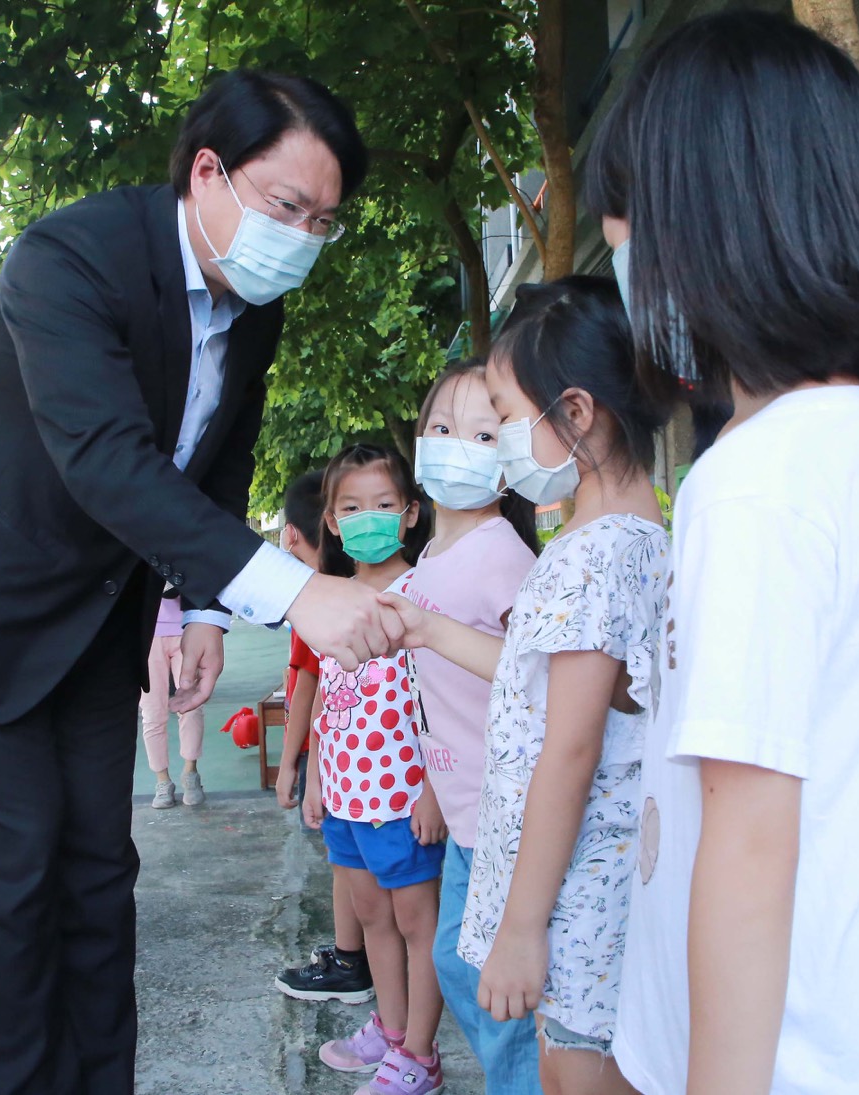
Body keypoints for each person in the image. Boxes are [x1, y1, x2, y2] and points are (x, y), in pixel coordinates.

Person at [0, 71, 402, 1094]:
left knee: (99, 876)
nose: (300, 237)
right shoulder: (70, 257)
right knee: (9, 886)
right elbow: (107, 460)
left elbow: (217, 459)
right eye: (287, 208)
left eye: (323, 223)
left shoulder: (255, 304)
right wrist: (295, 592)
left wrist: (201, 606)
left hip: (96, 620)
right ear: (208, 171)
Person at [586, 11, 859, 1094]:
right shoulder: (848, 430)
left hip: (790, 1060)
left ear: (705, 224)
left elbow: (751, 843)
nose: (622, 260)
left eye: (626, 224)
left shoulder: (755, 481)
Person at [383, 277, 670, 1095]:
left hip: (575, 892)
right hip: (601, 879)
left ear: (574, 413)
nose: (500, 442)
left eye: (507, 417)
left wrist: (520, 928)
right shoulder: (637, 536)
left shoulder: (588, 555)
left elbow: (567, 749)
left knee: (572, 1073)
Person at [405, 359, 543, 1093]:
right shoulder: (434, 551)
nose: (458, 443)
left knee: (497, 986)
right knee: (458, 964)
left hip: (508, 811)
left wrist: (429, 629)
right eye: (442, 426)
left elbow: (543, 674)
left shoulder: (501, 553)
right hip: (463, 808)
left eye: (484, 433)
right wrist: (432, 782)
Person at [310, 444, 446, 1095]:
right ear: (332, 520)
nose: (368, 518)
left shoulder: (422, 592)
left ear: (411, 512)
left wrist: (431, 790)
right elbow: (327, 698)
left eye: (384, 505)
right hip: (344, 795)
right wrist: (313, 778)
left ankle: (419, 1055)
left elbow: (441, 699)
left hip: (401, 797)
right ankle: (390, 1034)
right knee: (371, 918)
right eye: (352, 506)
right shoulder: (328, 598)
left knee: (419, 926)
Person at [274, 468, 376, 1006]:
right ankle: (357, 954)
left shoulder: (318, 599)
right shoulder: (345, 588)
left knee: (351, 865)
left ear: (292, 533)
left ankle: (352, 960)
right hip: (347, 757)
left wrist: (291, 762)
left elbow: (309, 684)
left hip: (341, 757)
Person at [141, 590, 206, 809]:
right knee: (152, 712)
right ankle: (162, 781)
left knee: (191, 706)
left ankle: (191, 772)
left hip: (187, 627)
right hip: (147, 631)